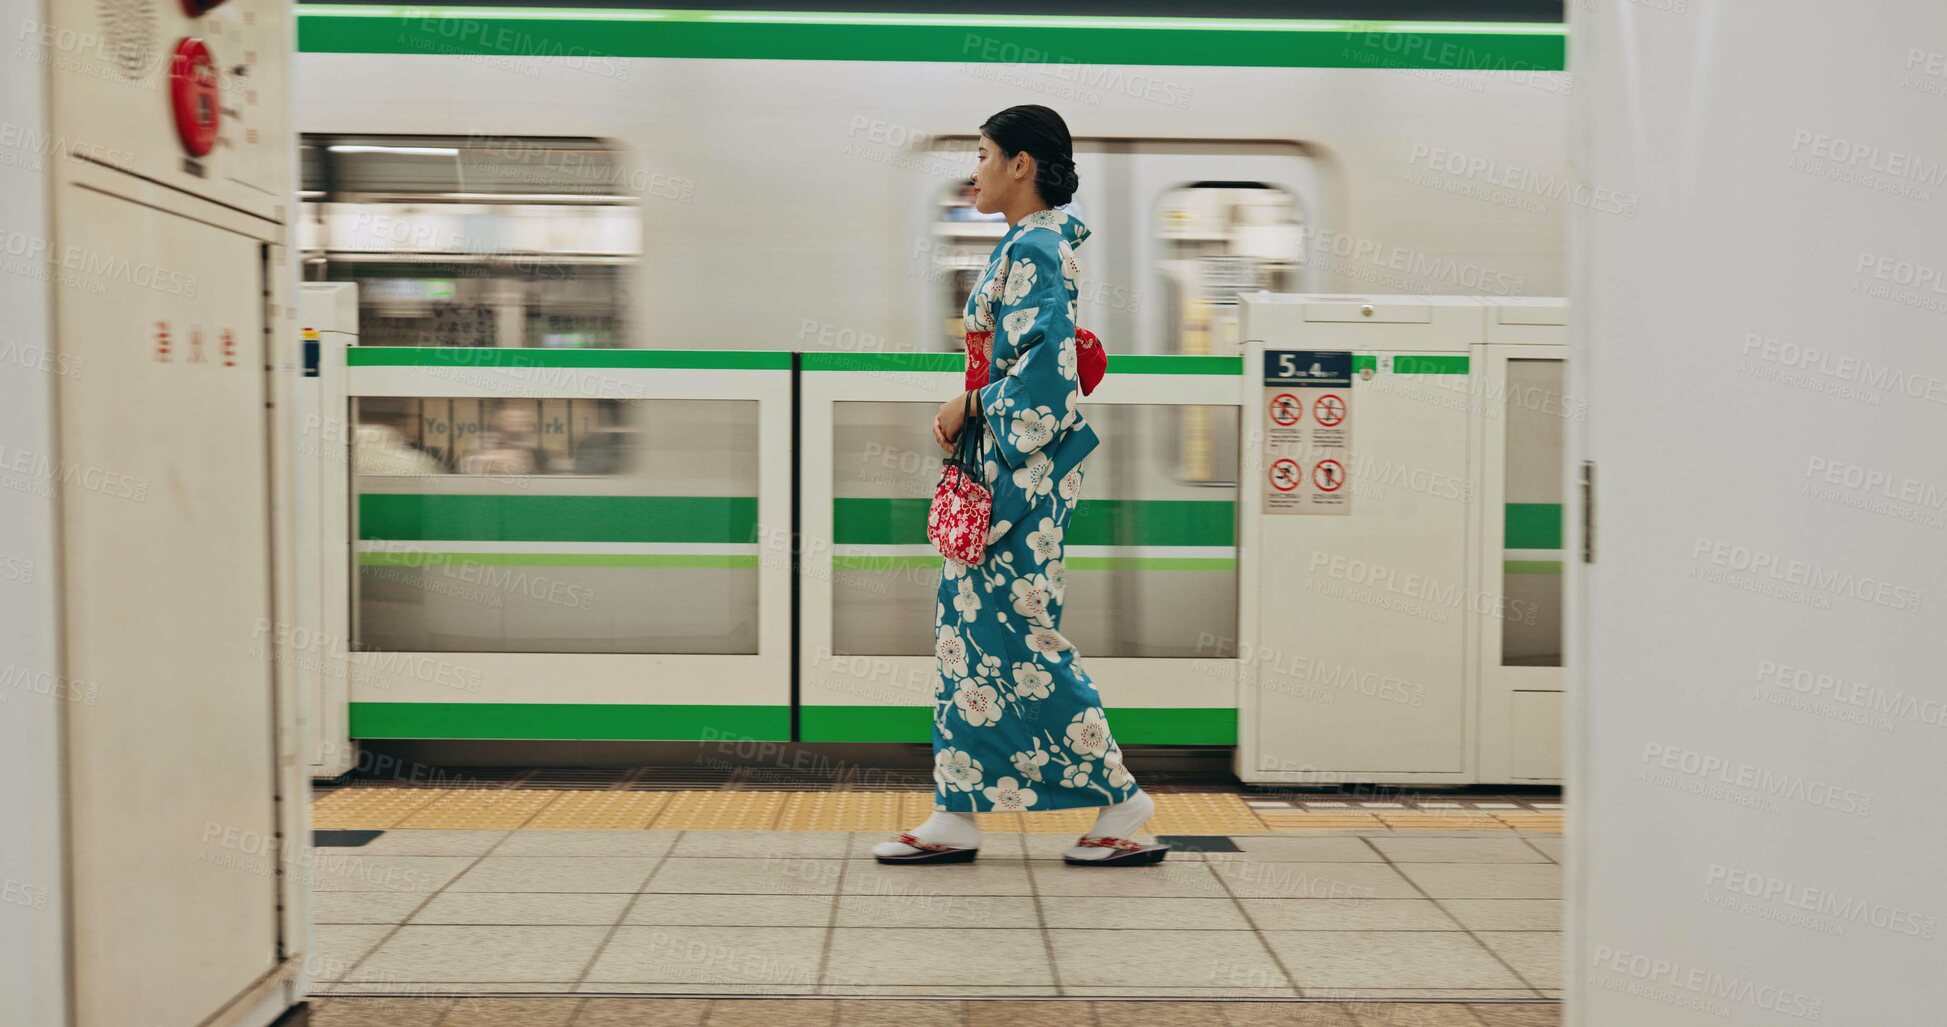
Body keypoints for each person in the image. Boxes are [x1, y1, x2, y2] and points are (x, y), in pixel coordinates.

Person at [873, 105, 1166, 868]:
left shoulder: (1035, 250)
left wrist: (967, 403)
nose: (974, 170)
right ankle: (958, 808)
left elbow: (1046, 381)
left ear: (1021, 165)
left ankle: (1122, 800)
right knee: (971, 642)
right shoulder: (1025, 246)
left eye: (983, 154)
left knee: (1022, 642)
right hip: (998, 473)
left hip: (1019, 482)